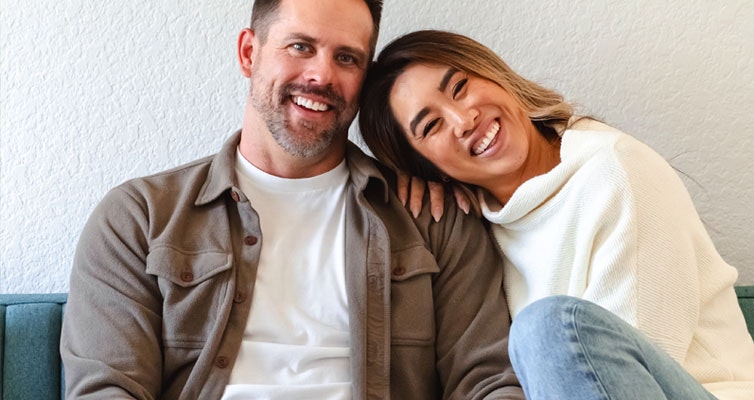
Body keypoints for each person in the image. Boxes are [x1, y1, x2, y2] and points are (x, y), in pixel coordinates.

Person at [59, 3, 525, 399]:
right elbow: (107, 388)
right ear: (249, 52)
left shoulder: (433, 218)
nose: (322, 74)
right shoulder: (138, 218)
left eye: (347, 58)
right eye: (301, 46)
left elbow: (487, 381)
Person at [358, 29, 754, 399]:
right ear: (423, 165)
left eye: (460, 87)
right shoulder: (478, 226)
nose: (463, 119)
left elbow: (621, 370)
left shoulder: (615, 170)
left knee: (547, 330)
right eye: (432, 126)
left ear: (493, 76)